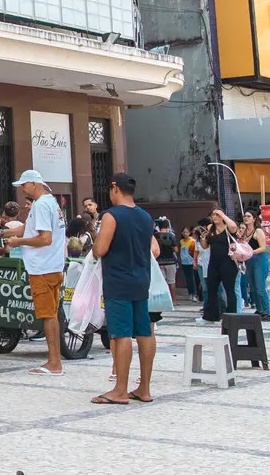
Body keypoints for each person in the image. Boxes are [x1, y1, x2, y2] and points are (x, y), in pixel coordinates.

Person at [91, 172, 157, 406]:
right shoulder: (145, 217)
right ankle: (144, 388)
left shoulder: (111, 216)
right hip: (142, 280)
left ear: (114, 188)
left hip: (118, 280)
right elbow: (152, 249)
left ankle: (120, 389)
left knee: (121, 334)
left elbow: (100, 249)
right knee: (145, 332)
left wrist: (95, 240)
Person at [0, 169, 67, 376]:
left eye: (24, 185)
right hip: (53, 266)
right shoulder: (51, 202)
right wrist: (0, 233)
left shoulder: (41, 205)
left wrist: (18, 242)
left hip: (43, 268)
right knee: (52, 315)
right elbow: (27, 229)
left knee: (47, 316)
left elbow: (44, 238)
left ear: (34, 184)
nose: (22, 189)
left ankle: (54, 363)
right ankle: (54, 360)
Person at [201, 209, 240, 323]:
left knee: (229, 289)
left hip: (228, 261)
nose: (214, 217)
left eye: (217, 215)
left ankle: (231, 315)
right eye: (213, 215)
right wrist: (203, 239)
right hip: (214, 262)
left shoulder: (228, 228)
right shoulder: (210, 228)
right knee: (211, 288)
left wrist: (223, 214)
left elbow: (233, 226)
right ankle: (210, 315)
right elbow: (205, 246)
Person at [244, 211, 270, 321]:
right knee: (253, 288)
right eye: (245, 216)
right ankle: (260, 310)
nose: (246, 218)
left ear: (254, 218)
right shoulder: (245, 232)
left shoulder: (258, 231)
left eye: (248, 216)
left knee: (260, 288)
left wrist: (252, 252)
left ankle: (267, 312)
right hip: (249, 261)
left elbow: (264, 247)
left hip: (259, 260)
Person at [154, 217, 178, 291]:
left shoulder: (154, 236)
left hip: (159, 261)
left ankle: (163, 299)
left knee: (162, 282)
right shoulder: (171, 236)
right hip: (170, 261)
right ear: (167, 226)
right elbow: (176, 250)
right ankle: (174, 300)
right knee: (172, 282)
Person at [178, 227, 200, 302]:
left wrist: (195, 261)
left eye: (187, 232)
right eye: (184, 232)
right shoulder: (181, 241)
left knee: (192, 278)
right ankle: (190, 293)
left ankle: (194, 294)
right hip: (184, 262)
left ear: (189, 233)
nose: (185, 234)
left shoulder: (192, 241)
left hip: (191, 262)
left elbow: (195, 252)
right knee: (187, 278)